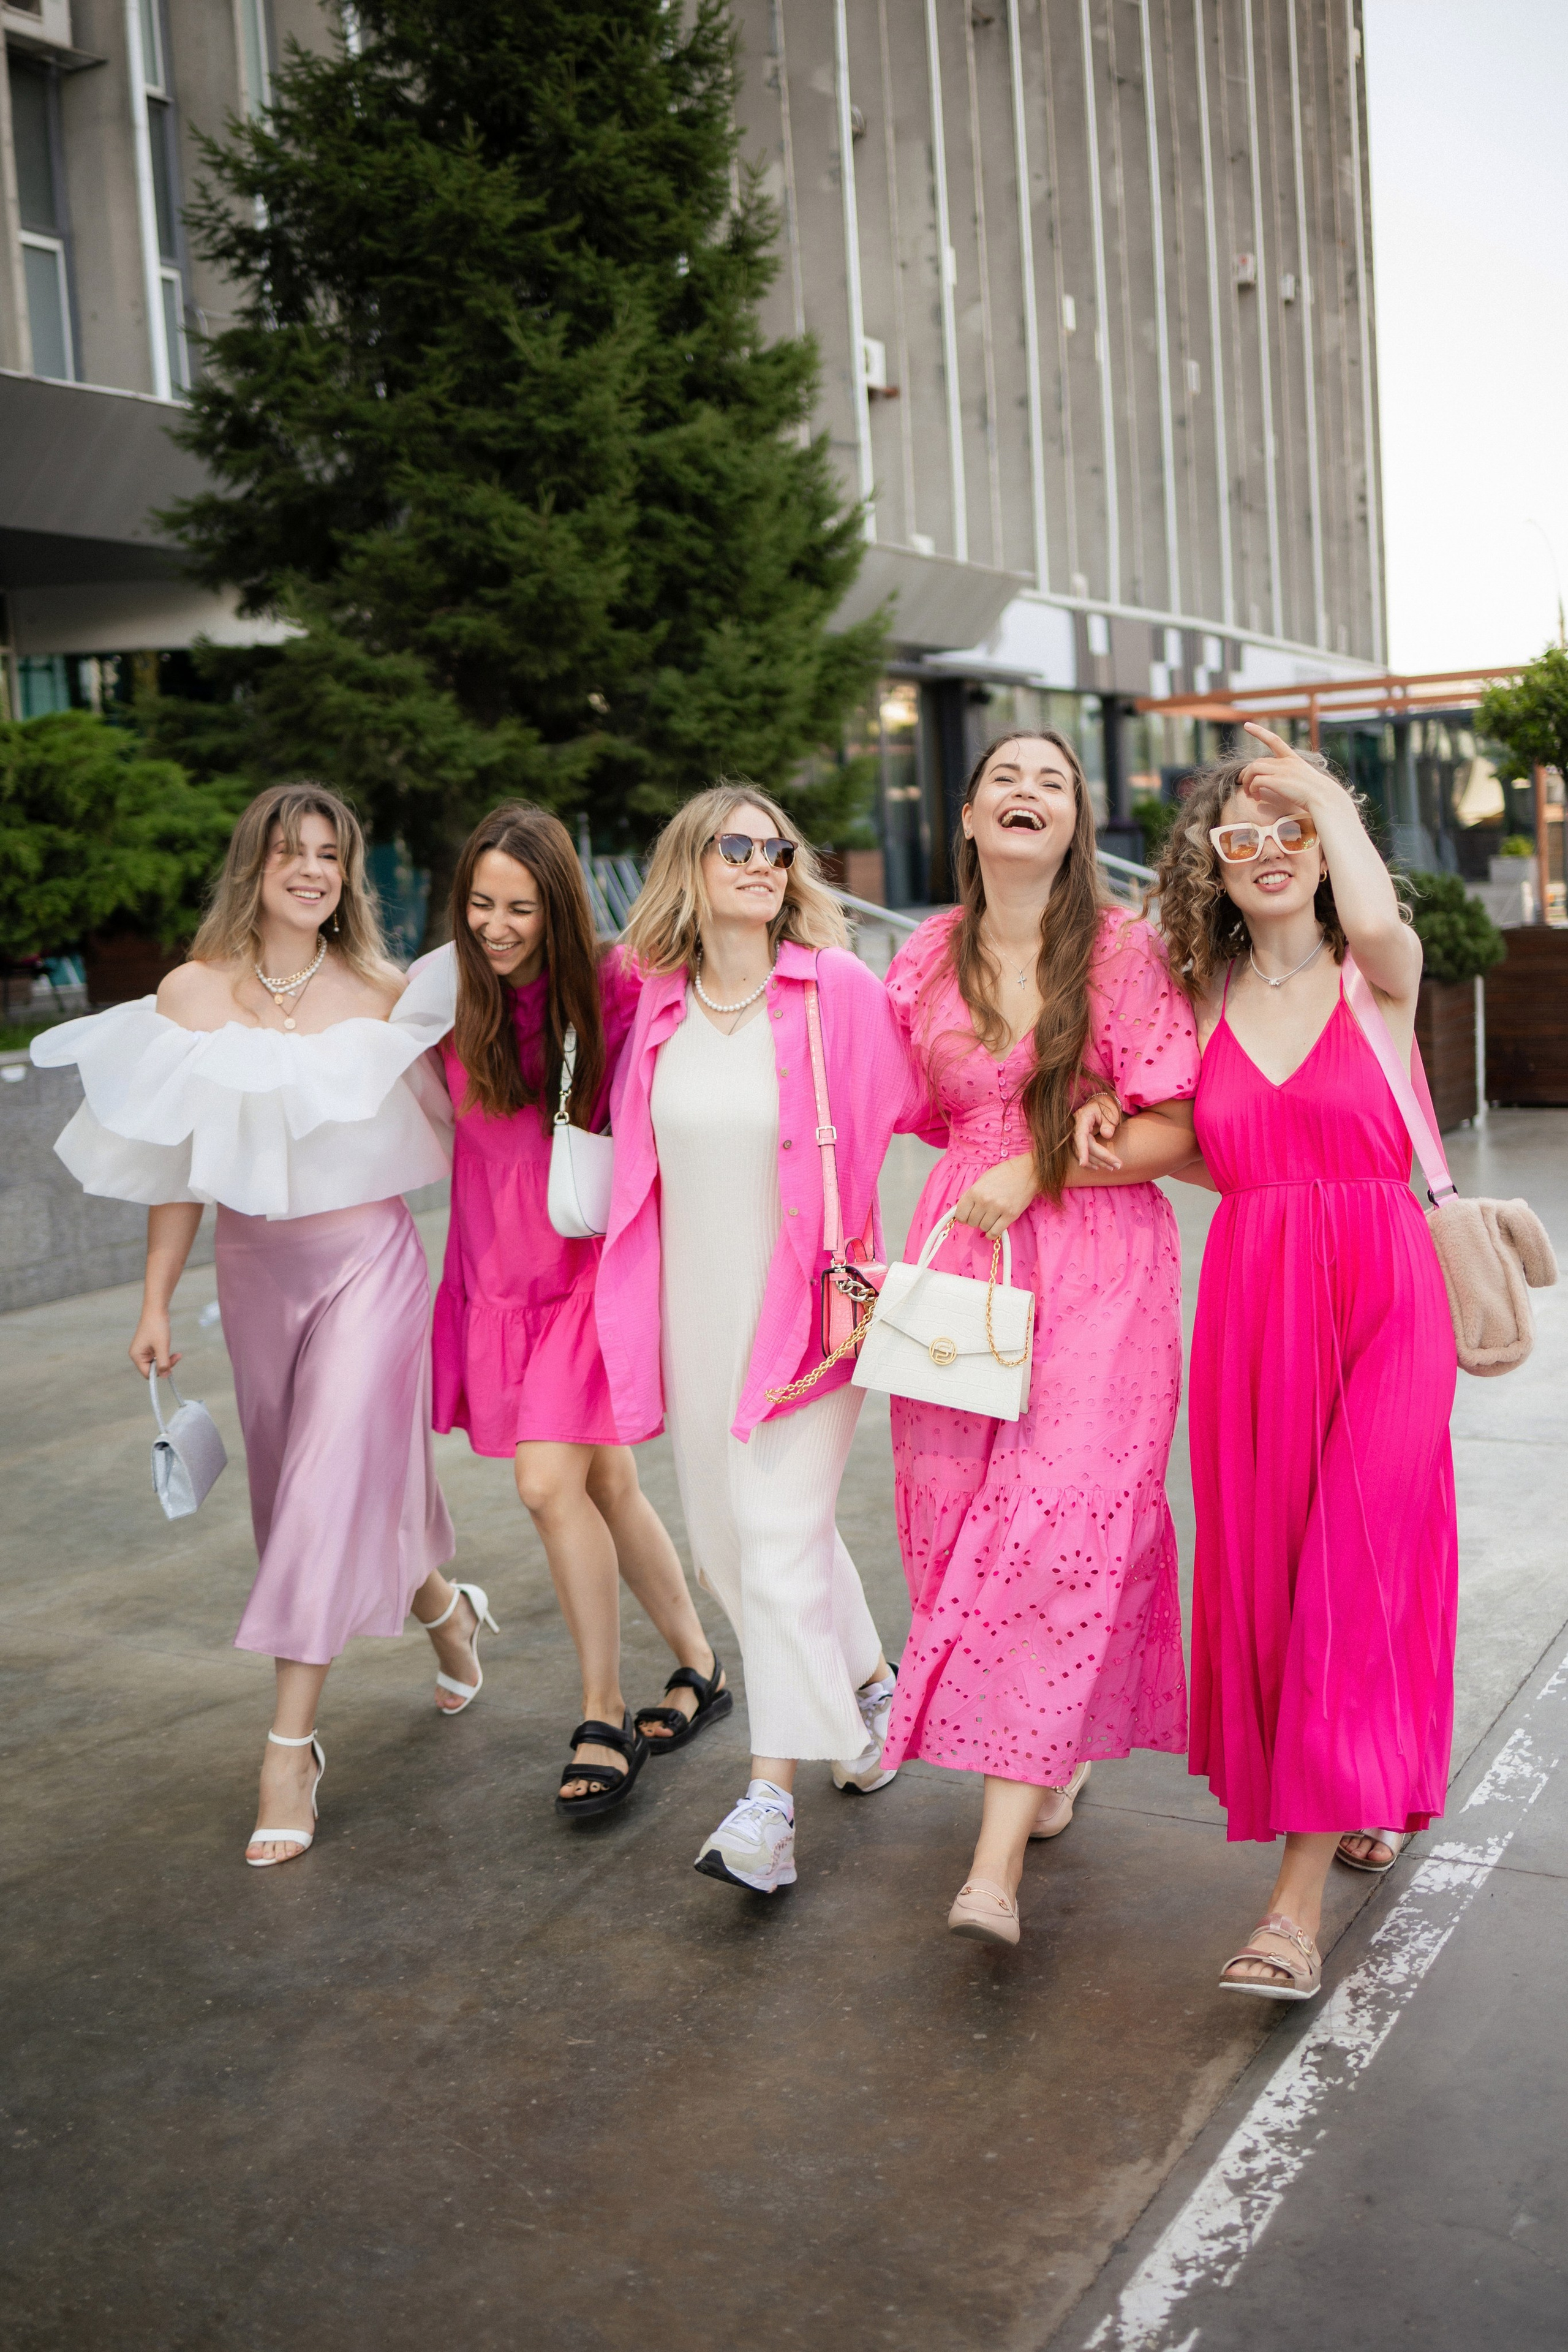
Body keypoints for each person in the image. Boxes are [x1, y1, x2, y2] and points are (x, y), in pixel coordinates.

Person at [34, 782, 488, 1868]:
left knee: (329, 1480)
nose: (312, 869)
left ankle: (289, 1748)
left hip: (372, 1261)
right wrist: (154, 1298)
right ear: (256, 863)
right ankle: (445, 1608)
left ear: (348, 877)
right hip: (256, 1271)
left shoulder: (382, 991)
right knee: (307, 1490)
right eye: (292, 850)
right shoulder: (195, 993)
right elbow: (181, 1164)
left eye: (331, 854)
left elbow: (483, 1105)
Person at [877, 732, 1202, 1948]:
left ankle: (992, 1869)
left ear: (1076, 824)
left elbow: (1179, 1127)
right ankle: (1043, 1753)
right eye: (1003, 779)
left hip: (1100, 1266)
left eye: (1051, 783)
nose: (1025, 793)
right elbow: (890, 1111)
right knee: (955, 1528)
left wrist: (1043, 1156)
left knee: (1054, 1532)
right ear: (963, 816)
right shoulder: (916, 959)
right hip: (960, 1260)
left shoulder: (1122, 959)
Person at [1154, 725, 1457, 2000]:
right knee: (1284, 1579)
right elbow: (1199, 1153)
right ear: (1210, 870)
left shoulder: (1371, 970)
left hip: (1384, 1296)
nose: (1270, 854)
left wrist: (1316, 788)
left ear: (1326, 852)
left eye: (1292, 835)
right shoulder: (1199, 1003)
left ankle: (1288, 1913)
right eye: (1242, 837)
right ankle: (1367, 1782)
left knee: (1350, 1559)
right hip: (1249, 1307)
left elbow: (1380, 914)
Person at [597, 784, 924, 1895]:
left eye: (776, 846)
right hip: (694, 1313)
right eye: (735, 845)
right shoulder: (656, 1008)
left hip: (812, 1313)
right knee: (731, 1545)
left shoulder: (837, 989)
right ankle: (873, 1691)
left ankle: (768, 1805)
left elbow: (935, 1099)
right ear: (689, 863)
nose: (762, 861)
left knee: (777, 1528)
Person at [423, 804, 726, 1819]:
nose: (496, 927)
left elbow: (716, 1002)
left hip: (590, 1274)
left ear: (560, 906)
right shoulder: (445, 999)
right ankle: (700, 1665)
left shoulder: (612, 985)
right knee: (605, 1482)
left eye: (520, 907)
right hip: (501, 1273)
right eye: (479, 905)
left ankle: (603, 1710)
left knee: (548, 1484)